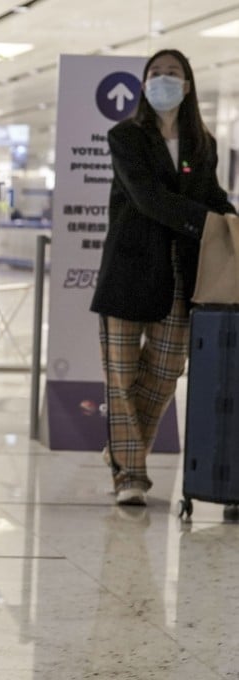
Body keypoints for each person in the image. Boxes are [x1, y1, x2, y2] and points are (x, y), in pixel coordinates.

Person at [90, 49, 237, 507]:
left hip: (182, 274)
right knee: (121, 375)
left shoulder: (202, 143)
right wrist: (207, 222)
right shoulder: (126, 136)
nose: (163, 79)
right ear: (143, 84)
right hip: (129, 269)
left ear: (187, 85)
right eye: (155, 73)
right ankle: (130, 474)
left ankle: (120, 450)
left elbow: (210, 193)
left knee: (165, 372)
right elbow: (147, 197)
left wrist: (231, 218)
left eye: (173, 73)